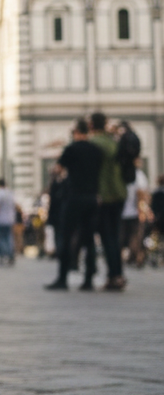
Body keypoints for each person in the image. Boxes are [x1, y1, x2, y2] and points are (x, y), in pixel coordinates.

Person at [47, 118, 103, 291]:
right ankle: (88, 279)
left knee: (66, 236)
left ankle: (63, 278)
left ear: (77, 132)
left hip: (74, 197)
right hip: (92, 198)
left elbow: (58, 169)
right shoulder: (96, 150)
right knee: (89, 239)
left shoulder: (71, 149)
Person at [90, 112, 127, 291]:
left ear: (91, 125)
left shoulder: (94, 143)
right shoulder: (113, 141)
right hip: (119, 193)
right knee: (115, 235)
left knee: (107, 237)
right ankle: (118, 274)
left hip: (104, 195)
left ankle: (114, 276)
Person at [122, 157, 148, 269]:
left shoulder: (121, 172)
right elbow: (141, 194)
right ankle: (135, 256)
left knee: (123, 236)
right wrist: (142, 210)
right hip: (133, 211)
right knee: (136, 236)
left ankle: (130, 256)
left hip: (122, 211)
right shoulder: (138, 175)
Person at [0, 179, 20, 265]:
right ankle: (10, 254)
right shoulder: (10, 193)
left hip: (0, 220)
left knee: (0, 238)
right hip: (10, 219)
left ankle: (4, 255)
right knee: (9, 238)